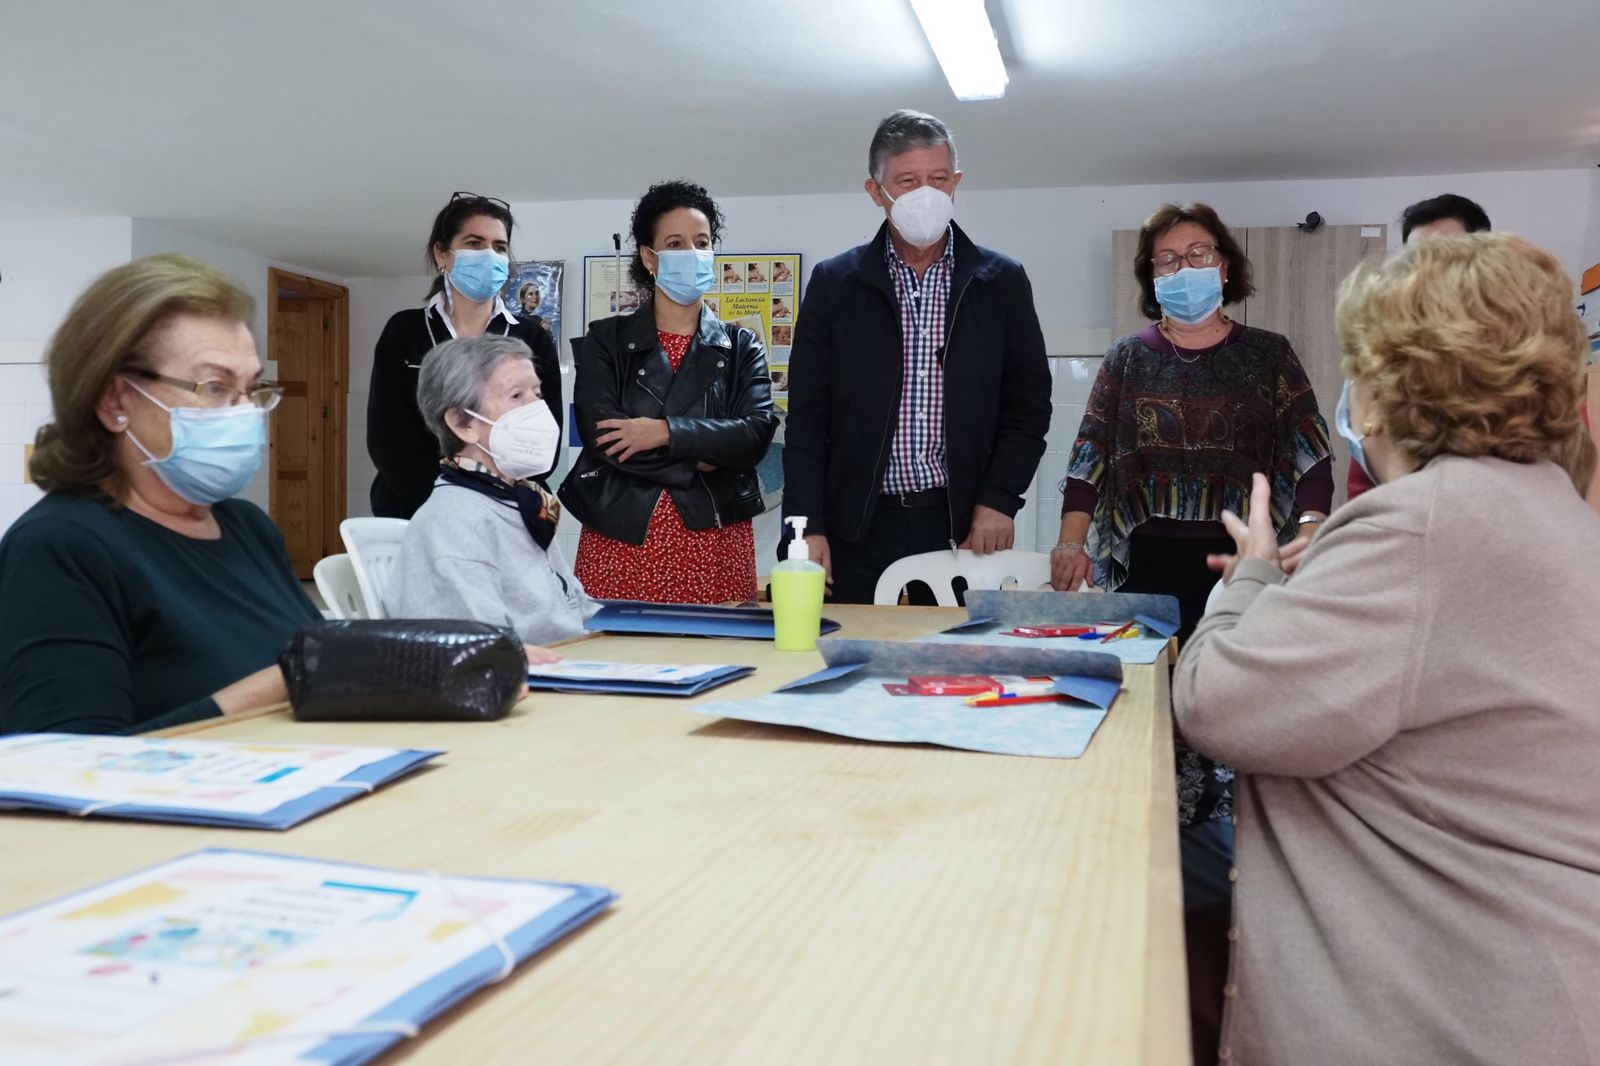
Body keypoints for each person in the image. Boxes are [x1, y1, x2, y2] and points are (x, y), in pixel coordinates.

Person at [1174, 232, 1600, 1066]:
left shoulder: (1425, 523)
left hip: (1446, 1007)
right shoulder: (1552, 513)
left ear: (1379, 394)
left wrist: (1252, 577)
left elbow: (1220, 705)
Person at [1051, 202, 1333, 1064]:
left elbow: (1311, 453)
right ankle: (1158, 888)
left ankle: (1239, 898)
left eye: (1198, 253)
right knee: (1152, 733)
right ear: (1151, 277)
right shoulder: (1130, 360)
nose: (1183, 269)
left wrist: (1313, 526)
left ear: (1225, 265)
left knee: (1232, 722)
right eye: (1167, 259)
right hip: (1146, 570)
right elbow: (1089, 453)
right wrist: (1069, 539)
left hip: (1243, 568)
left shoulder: (1269, 356)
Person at [0, 254, 320, 735]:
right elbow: (59, 771)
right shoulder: (60, 549)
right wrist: (279, 685)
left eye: (253, 390)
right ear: (115, 401)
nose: (243, 413)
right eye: (215, 388)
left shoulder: (248, 528)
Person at [782, 109, 1050, 603]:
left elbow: (1028, 407)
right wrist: (807, 526)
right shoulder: (836, 284)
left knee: (959, 668)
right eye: (907, 181)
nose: (926, 194)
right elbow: (807, 418)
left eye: (938, 179)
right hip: (854, 527)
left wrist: (999, 500)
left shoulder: (1000, 282)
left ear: (956, 183)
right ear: (875, 190)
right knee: (847, 661)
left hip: (964, 525)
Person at [559, 180, 778, 603]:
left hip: (716, 538)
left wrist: (662, 433)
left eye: (702, 242)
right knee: (618, 663)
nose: (692, 254)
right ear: (649, 257)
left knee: (723, 660)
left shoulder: (742, 346)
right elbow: (605, 438)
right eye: (675, 243)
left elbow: (754, 436)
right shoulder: (606, 339)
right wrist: (704, 452)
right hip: (622, 537)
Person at [391, 335, 594, 649]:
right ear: (462, 423)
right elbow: (479, 651)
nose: (538, 408)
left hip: (567, 659)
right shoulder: (455, 521)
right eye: (516, 396)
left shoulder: (517, 499)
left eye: (537, 393)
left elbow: (573, 610)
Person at [366, 192, 561, 519]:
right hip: (414, 510)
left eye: (499, 247)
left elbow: (543, 440)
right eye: (474, 243)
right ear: (442, 254)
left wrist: (490, 500)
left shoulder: (531, 338)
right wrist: (447, 506)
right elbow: (387, 440)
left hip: (506, 510)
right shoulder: (405, 332)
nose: (489, 254)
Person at [1345, 193, 1493, 501]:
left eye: (1445, 255)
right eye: (1415, 256)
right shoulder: (1382, 356)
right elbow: (1363, 473)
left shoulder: (1518, 355)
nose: (1427, 270)